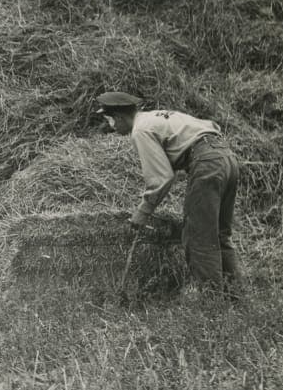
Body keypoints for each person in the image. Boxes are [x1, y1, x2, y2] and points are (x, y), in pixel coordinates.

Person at [97, 91, 244, 299]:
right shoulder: (154, 117)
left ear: (120, 117)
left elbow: (161, 178)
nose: (112, 127)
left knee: (198, 238)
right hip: (227, 158)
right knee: (219, 235)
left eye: (110, 120)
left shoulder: (140, 130)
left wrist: (143, 210)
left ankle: (213, 307)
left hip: (207, 162)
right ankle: (236, 300)